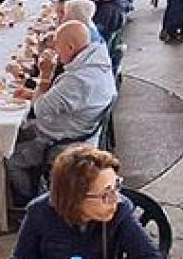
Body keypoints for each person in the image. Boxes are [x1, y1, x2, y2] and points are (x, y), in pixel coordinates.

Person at [5, 145, 167, 259]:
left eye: (116, 187)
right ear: (75, 198)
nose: (115, 199)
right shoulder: (39, 212)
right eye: (105, 194)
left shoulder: (120, 211)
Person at [8, 20, 117, 204]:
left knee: (10, 158)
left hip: (65, 140)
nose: (56, 53)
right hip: (81, 128)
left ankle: (32, 204)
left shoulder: (77, 81)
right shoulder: (98, 61)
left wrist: (45, 76)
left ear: (70, 47)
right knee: (18, 133)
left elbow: (38, 110)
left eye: (57, 47)